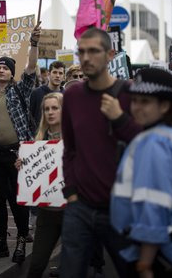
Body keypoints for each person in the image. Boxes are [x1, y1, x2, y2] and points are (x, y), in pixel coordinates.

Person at [60, 28, 142, 277]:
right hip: (80, 207)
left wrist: (120, 119)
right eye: (81, 52)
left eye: (93, 51)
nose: (86, 58)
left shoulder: (130, 93)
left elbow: (148, 146)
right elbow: (70, 148)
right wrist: (71, 192)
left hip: (122, 207)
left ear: (110, 55)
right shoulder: (72, 95)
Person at [111, 68, 172, 278]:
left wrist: (145, 263)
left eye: (145, 102)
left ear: (164, 105)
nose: (136, 107)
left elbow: (153, 206)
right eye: (134, 100)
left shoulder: (153, 143)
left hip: (162, 254)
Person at [0, 23, 41, 264]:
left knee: (18, 201)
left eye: (6, 68)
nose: (1, 70)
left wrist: (33, 43)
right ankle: (2, 244)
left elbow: (32, 67)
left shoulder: (20, 91)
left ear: (12, 72)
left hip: (18, 154)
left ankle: (22, 242)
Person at [13, 93, 65, 278]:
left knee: (74, 266)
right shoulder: (38, 140)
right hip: (48, 213)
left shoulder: (76, 138)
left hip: (73, 213)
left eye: (55, 108)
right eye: (46, 109)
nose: (50, 112)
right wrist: (23, 165)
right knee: (36, 265)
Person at [29, 61, 65, 128]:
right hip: (39, 136)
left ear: (64, 77)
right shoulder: (36, 93)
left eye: (60, 73)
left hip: (60, 136)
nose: (57, 76)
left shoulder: (67, 96)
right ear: (49, 74)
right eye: (54, 72)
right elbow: (30, 118)